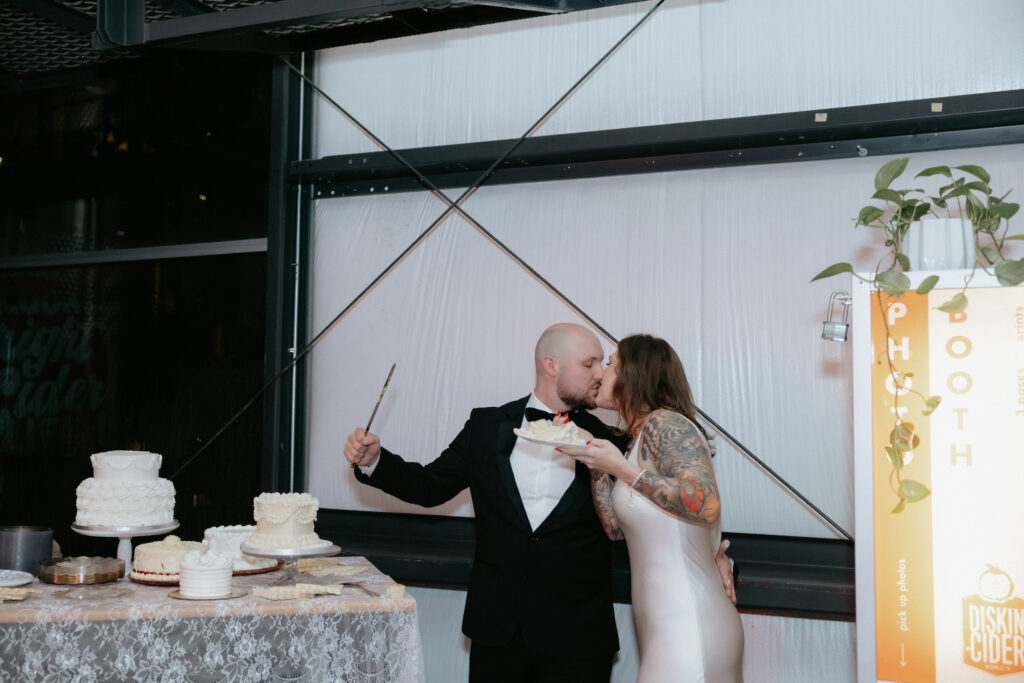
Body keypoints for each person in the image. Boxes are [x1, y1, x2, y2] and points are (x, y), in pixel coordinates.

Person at [344, 322, 624, 682]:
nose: (599, 373)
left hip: (579, 636)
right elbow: (429, 486)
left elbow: (639, 518)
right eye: (589, 364)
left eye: (602, 363)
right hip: (498, 630)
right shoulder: (486, 426)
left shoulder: (612, 440)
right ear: (551, 365)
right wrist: (376, 461)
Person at [560, 334, 744, 683]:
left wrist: (622, 470)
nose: (601, 373)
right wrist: (594, 460)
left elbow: (705, 503)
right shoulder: (639, 439)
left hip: (689, 622)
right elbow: (615, 529)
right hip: (663, 626)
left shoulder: (666, 424)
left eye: (610, 363)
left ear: (634, 374)